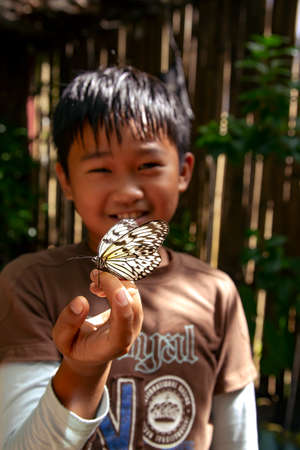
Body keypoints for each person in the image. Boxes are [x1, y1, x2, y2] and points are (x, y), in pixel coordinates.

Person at [0, 66, 258, 449]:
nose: (127, 192)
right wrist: (83, 370)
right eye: (101, 169)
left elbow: (238, 439)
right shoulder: (29, 284)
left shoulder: (216, 292)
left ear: (184, 171)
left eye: (148, 166)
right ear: (66, 180)